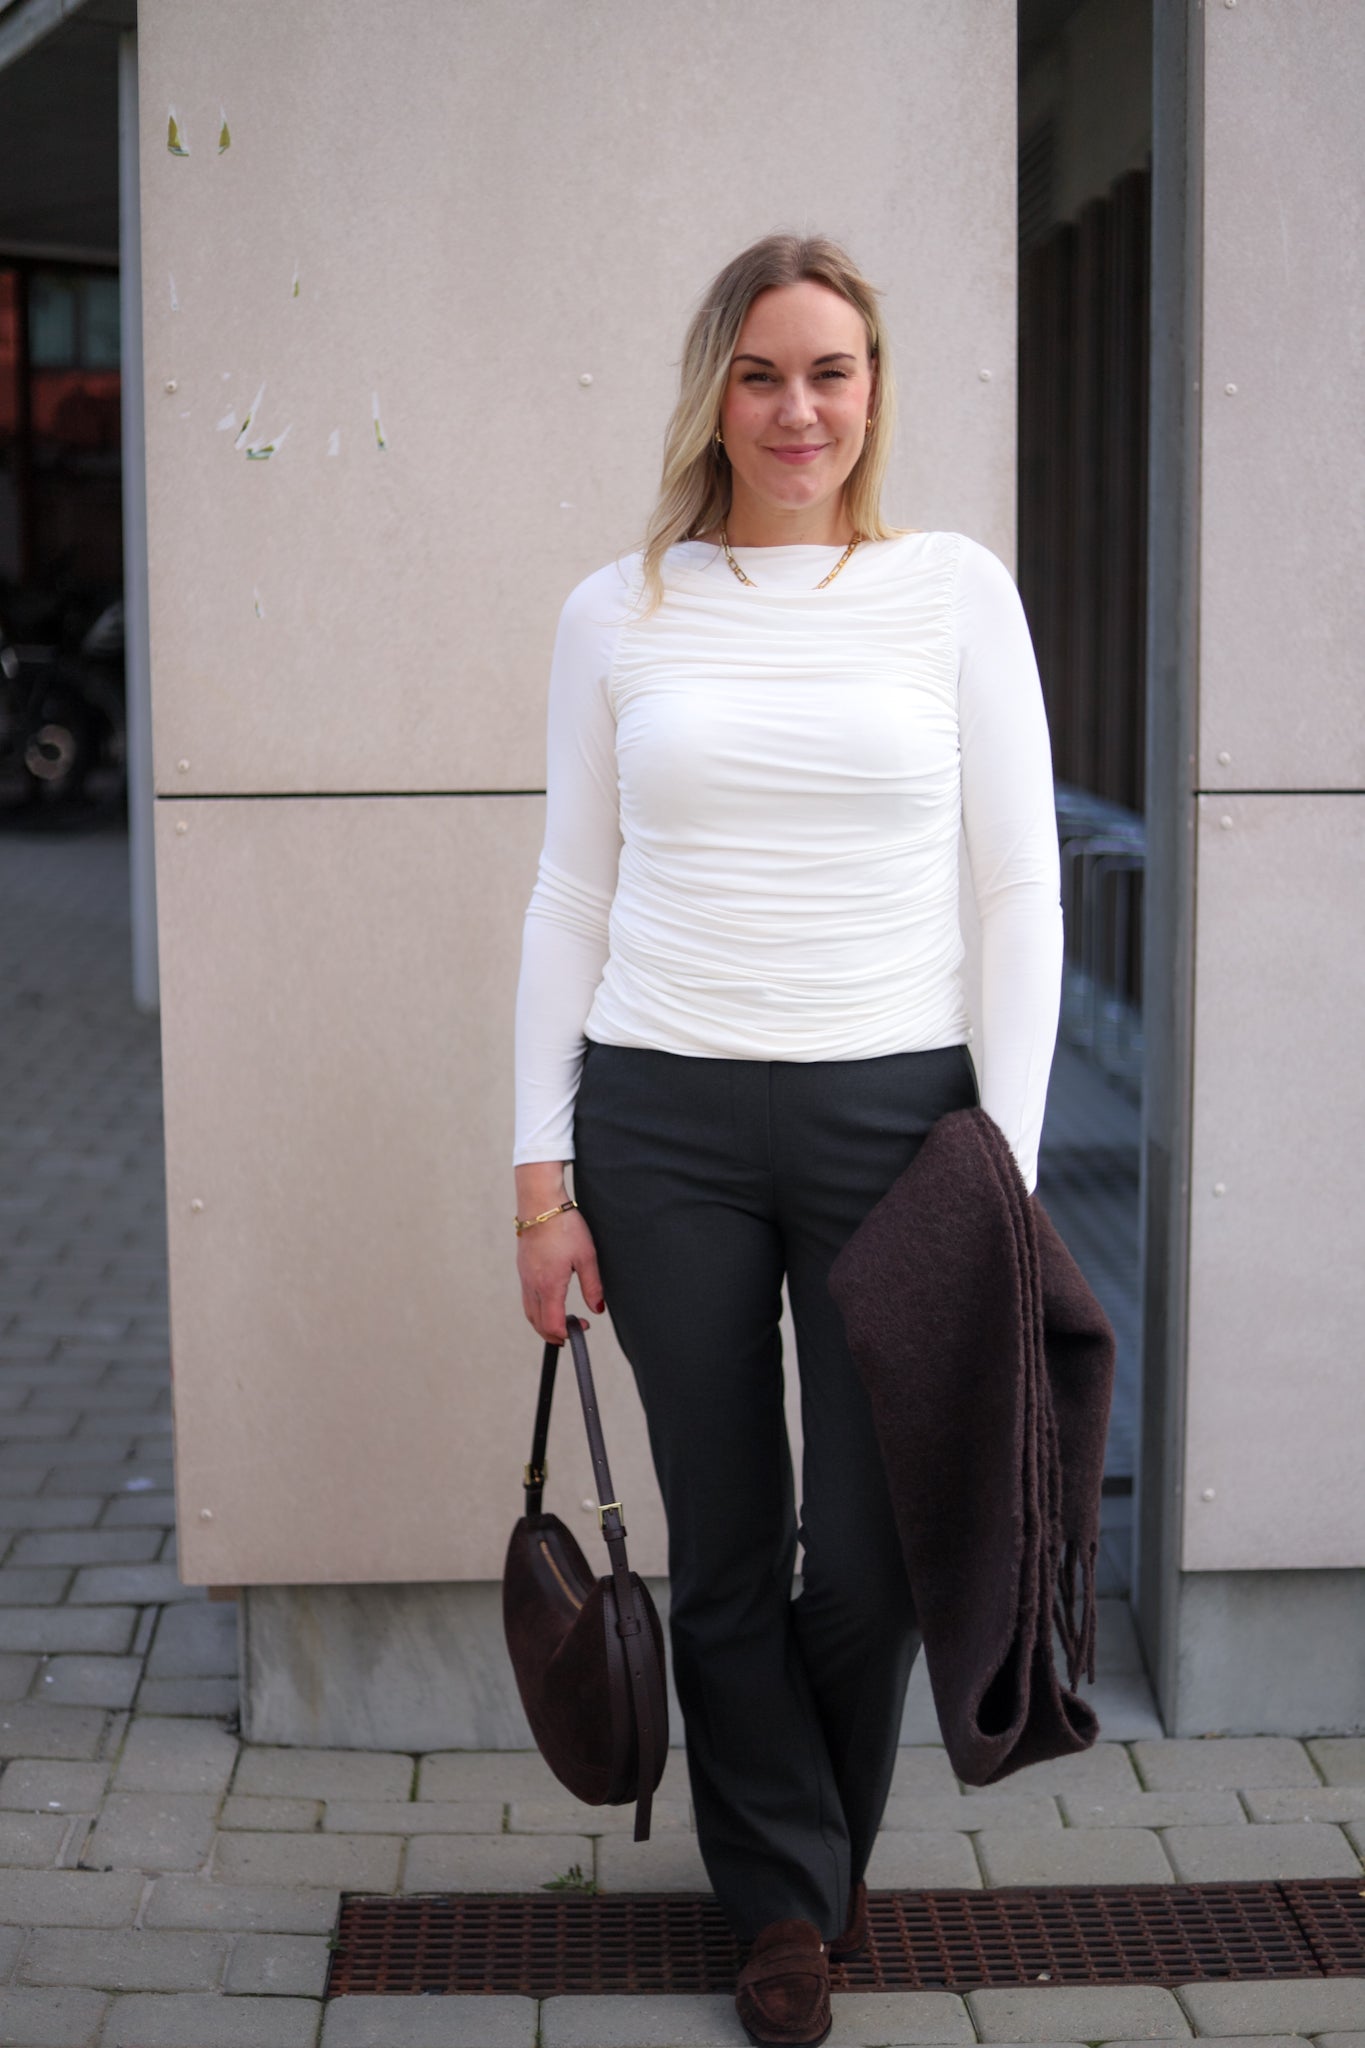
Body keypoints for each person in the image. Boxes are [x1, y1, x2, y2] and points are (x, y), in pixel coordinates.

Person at [512, 232, 1062, 2048]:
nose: (796, 409)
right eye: (760, 374)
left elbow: (1019, 886)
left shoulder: (951, 592)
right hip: (658, 1118)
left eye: (829, 371)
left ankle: (801, 1865)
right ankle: (784, 1911)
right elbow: (569, 892)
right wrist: (536, 1179)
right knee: (728, 1538)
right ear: (714, 395)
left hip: (896, 1121)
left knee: (882, 1549)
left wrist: (1005, 1161)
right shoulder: (619, 610)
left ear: (873, 392)